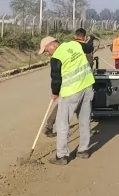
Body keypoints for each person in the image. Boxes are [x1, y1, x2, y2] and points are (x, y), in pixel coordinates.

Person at [39, 35, 96, 165]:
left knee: (62, 124)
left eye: (47, 50)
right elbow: (88, 48)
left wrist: (54, 93)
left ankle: (62, 156)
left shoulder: (56, 57)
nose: (47, 53)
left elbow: (56, 78)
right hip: (87, 87)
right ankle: (83, 150)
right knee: (84, 120)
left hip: (71, 92)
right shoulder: (74, 44)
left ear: (53, 45)